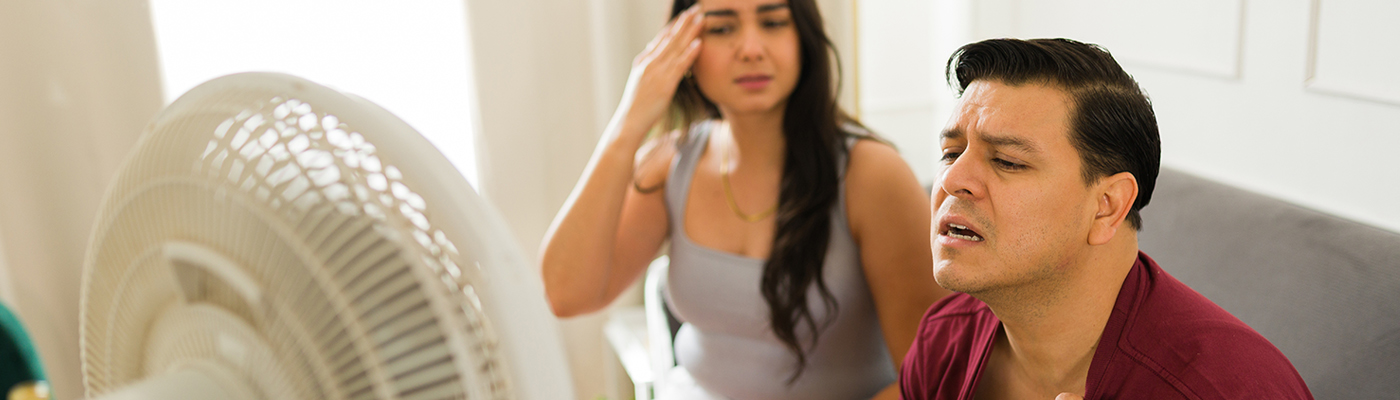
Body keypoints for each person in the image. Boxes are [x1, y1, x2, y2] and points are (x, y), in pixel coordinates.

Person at [540, 0, 948, 399]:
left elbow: (937, 377)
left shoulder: (872, 174)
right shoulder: (669, 164)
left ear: (803, 39)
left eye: (773, 22)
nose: (751, 49)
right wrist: (627, 127)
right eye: (722, 28)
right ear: (682, 48)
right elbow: (566, 293)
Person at [901, 38, 1315, 400]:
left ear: (1107, 206)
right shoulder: (944, 341)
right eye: (951, 153)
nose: (952, 180)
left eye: (1007, 161)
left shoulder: (1229, 388)